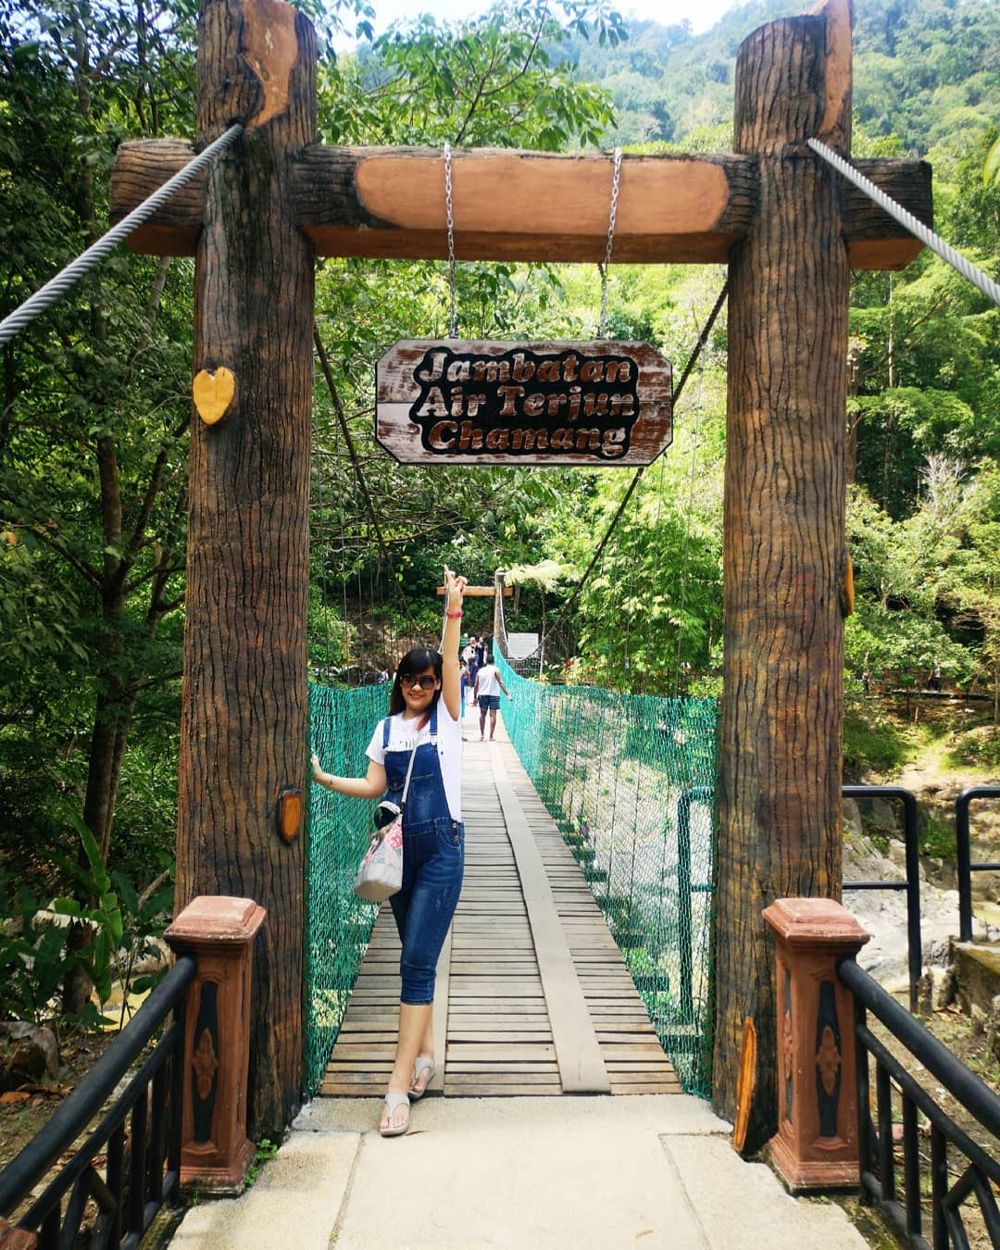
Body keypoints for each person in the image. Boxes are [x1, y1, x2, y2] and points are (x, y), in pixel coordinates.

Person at [311, 567, 467, 1137]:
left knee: (416, 963)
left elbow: (450, 664)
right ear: (399, 682)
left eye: (428, 680)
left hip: (443, 851)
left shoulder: (449, 720)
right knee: (413, 956)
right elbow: (375, 787)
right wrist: (327, 780)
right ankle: (425, 1056)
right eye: (411, 680)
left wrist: (452, 609)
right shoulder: (385, 727)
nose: (420, 688)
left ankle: (397, 1085)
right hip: (398, 852)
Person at [474, 652, 511, 741]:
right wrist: (507, 694)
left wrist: (475, 697)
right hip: (494, 695)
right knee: (493, 715)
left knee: (482, 715)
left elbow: (476, 684)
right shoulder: (496, 670)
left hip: (482, 694)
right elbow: (500, 682)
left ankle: (482, 735)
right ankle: (491, 736)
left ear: (486, 661)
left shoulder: (480, 671)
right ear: (494, 661)